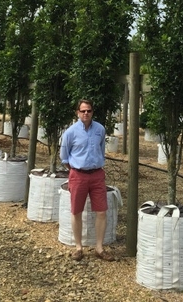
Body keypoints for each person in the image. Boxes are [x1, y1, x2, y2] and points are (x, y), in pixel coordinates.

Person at [60, 98, 115, 262]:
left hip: (97, 175)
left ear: (92, 112)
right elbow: (64, 156)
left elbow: (101, 150)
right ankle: (78, 248)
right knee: (76, 211)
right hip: (78, 175)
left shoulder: (100, 129)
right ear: (77, 112)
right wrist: (76, 171)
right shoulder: (70, 132)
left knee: (102, 211)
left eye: (88, 110)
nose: (86, 113)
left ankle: (99, 247)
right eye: (82, 110)